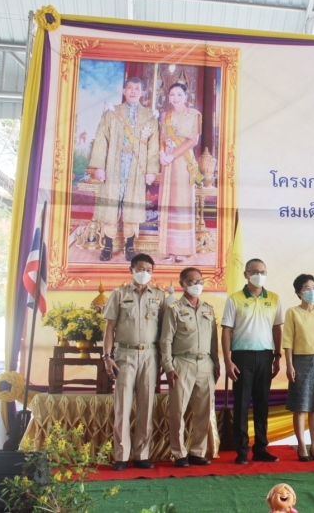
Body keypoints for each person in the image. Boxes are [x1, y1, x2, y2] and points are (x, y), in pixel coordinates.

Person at [101, 253, 166, 470]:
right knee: (123, 405)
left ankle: (141, 454)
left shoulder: (159, 296)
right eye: (140, 269)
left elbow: (165, 330)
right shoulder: (119, 294)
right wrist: (107, 356)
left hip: (150, 354)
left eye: (148, 269)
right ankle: (121, 455)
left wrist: (165, 359)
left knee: (146, 405)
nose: (144, 273)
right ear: (131, 270)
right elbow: (109, 328)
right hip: (125, 354)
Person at [88, 77, 160, 262]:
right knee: (111, 204)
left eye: (137, 88)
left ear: (142, 92)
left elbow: (153, 146)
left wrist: (151, 170)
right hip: (114, 165)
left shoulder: (150, 117)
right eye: (130, 88)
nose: (133, 91)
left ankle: (130, 246)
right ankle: (107, 246)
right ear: (124, 91)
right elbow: (101, 139)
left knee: (132, 205)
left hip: (136, 168)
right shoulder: (112, 113)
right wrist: (99, 166)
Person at [221, 258, 283, 464]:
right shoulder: (234, 299)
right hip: (242, 356)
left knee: (262, 403)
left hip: (265, 355)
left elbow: (277, 328)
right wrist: (228, 361)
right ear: (246, 274)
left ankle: (261, 448)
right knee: (241, 403)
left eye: (263, 272)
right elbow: (227, 331)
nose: (259, 275)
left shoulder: (274, 298)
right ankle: (241, 450)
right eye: (255, 272)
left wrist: (277, 356)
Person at [160, 267, 220, 467]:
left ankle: (197, 451)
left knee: (204, 410)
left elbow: (214, 340)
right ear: (182, 284)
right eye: (192, 282)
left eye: (200, 281)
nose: (197, 285)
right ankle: (179, 453)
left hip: (205, 363)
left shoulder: (208, 309)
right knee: (178, 410)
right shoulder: (174, 309)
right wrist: (168, 366)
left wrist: (216, 364)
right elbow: (166, 340)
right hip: (182, 362)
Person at [283, 274, 314, 462]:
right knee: (300, 406)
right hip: (300, 361)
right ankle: (302, 445)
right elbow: (287, 341)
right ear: (299, 292)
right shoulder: (292, 312)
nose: (311, 291)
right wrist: (289, 364)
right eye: (307, 288)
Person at [157, 82, 202, 263]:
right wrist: (162, 153)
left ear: (186, 96)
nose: (175, 98)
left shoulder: (194, 115)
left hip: (183, 161)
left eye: (179, 94)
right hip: (167, 162)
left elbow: (193, 141)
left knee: (181, 202)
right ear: (168, 97)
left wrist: (172, 155)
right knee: (167, 202)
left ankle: (182, 249)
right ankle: (169, 248)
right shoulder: (165, 116)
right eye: (172, 94)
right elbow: (162, 137)